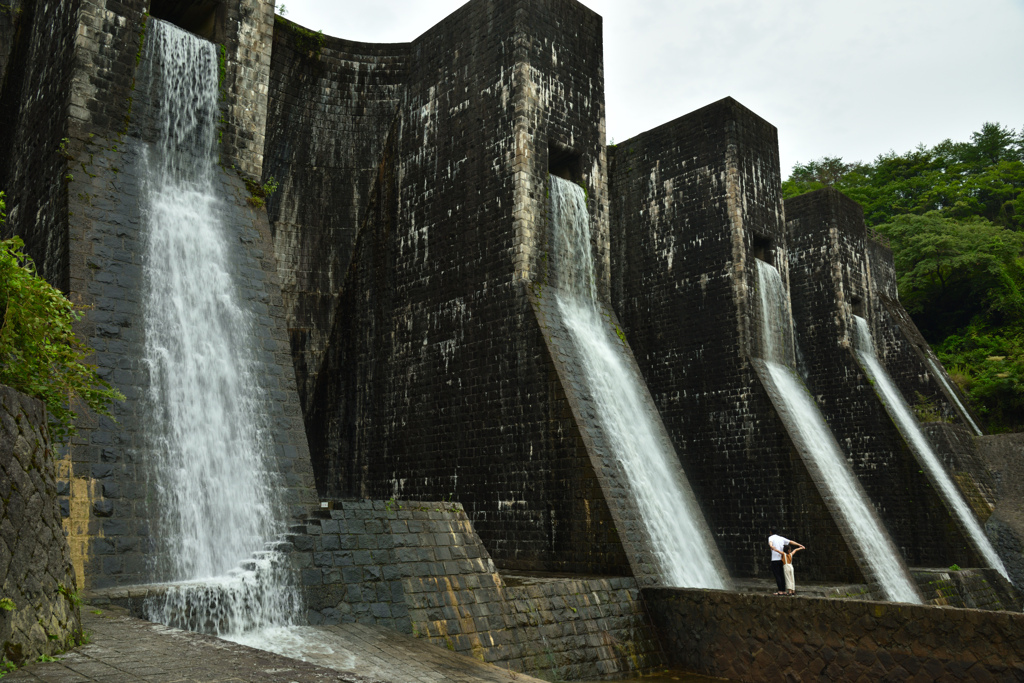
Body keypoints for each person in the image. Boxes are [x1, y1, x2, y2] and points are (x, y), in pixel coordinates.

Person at [767, 528, 789, 595]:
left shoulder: (771, 537)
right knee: (782, 575)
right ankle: (784, 590)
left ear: (770, 532)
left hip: (774, 560)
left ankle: (780, 591)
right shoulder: (781, 538)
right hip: (781, 560)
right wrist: (800, 545)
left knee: (777, 576)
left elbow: (770, 542)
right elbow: (790, 541)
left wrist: (771, 546)